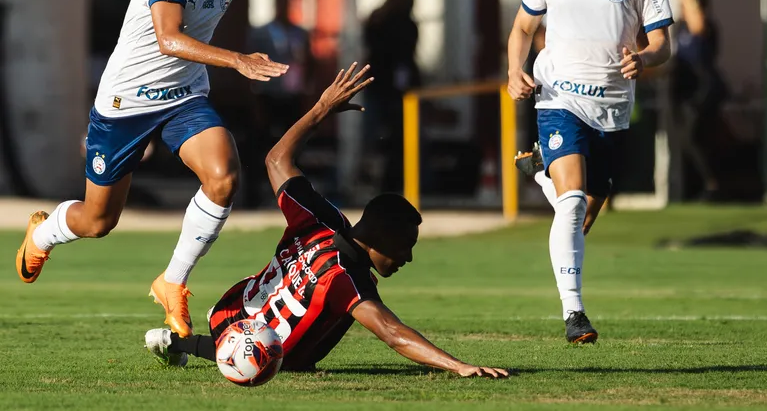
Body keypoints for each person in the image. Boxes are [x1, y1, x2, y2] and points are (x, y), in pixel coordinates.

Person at [15, 0, 353, 340]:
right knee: (98, 221)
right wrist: (238, 60)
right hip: (126, 103)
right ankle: (44, 233)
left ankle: (172, 281)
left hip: (184, 97)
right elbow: (168, 39)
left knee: (224, 176)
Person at [144, 63, 508, 379]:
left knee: (282, 325)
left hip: (231, 310)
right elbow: (391, 332)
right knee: (285, 358)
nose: (407, 259)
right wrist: (458, 365)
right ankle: (197, 345)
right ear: (380, 236)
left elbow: (275, 160)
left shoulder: (322, 219)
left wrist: (321, 108)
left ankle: (186, 344)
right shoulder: (345, 281)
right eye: (405, 247)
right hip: (259, 347)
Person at [507, 0, 673, 343]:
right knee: (574, 200)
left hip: (613, 110)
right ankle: (574, 313)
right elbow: (522, 27)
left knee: (583, 214)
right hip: (558, 98)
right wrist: (513, 70)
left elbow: (663, 43)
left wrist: (644, 57)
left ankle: (542, 173)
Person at [244, 0, 314, 206]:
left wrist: (306, 90)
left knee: (293, 146)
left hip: (291, 95)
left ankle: (294, 195)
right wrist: (253, 99)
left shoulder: (299, 33)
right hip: (267, 94)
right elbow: (249, 66)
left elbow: (309, 63)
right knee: (260, 145)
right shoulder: (261, 33)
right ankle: (253, 195)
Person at [362, 0, 421, 192]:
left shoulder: (381, 19)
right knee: (387, 138)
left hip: (386, 88)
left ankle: (388, 181)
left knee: (388, 139)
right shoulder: (393, 22)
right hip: (387, 89)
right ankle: (384, 181)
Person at [668, 0, 727, 201]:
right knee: (684, 140)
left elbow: (698, 27)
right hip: (683, 92)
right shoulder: (681, 28)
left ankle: (713, 184)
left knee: (694, 138)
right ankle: (697, 187)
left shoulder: (706, 26)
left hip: (703, 93)